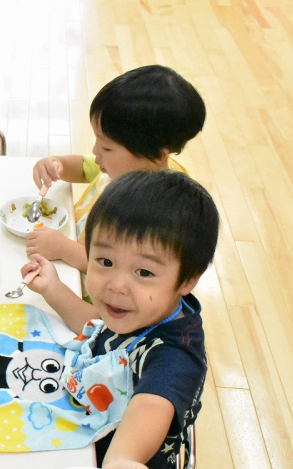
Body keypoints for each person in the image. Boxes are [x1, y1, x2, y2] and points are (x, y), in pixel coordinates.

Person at [22, 170, 219, 469]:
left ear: (187, 280)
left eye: (144, 271)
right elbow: (95, 326)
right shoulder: (138, 310)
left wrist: (122, 460)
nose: (116, 285)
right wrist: (53, 288)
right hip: (86, 408)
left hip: (103, 459)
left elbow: (152, 406)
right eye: (105, 261)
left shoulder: (175, 357)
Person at [28, 65, 206, 323]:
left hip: (105, 307)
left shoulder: (156, 208)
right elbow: (85, 167)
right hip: (74, 275)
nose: (96, 152)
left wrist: (63, 248)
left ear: (157, 154)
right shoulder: (124, 166)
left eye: (107, 147)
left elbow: (114, 263)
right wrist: (58, 165)